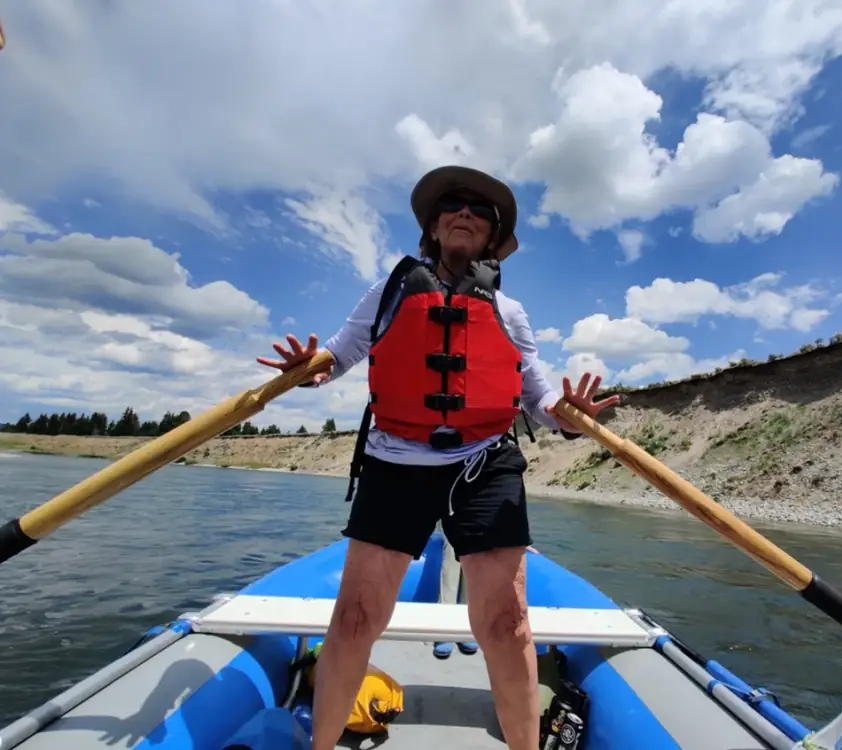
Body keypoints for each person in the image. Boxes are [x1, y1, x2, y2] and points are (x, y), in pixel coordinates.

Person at [257, 165, 619, 750]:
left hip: (484, 465)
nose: (466, 213)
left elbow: (541, 398)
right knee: (354, 619)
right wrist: (308, 368)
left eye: (481, 210)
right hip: (395, 462)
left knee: (506, 625)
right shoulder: (387, 292)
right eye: (453, 203)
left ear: (494, 237)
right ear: (432, 224)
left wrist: (570, 415)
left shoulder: (512, 312)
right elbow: (337, 356)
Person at [434, 526, 478, 659]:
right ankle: (445, 627)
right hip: (452, 511)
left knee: (475, 558)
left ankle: (468, 626)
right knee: (451, 554)